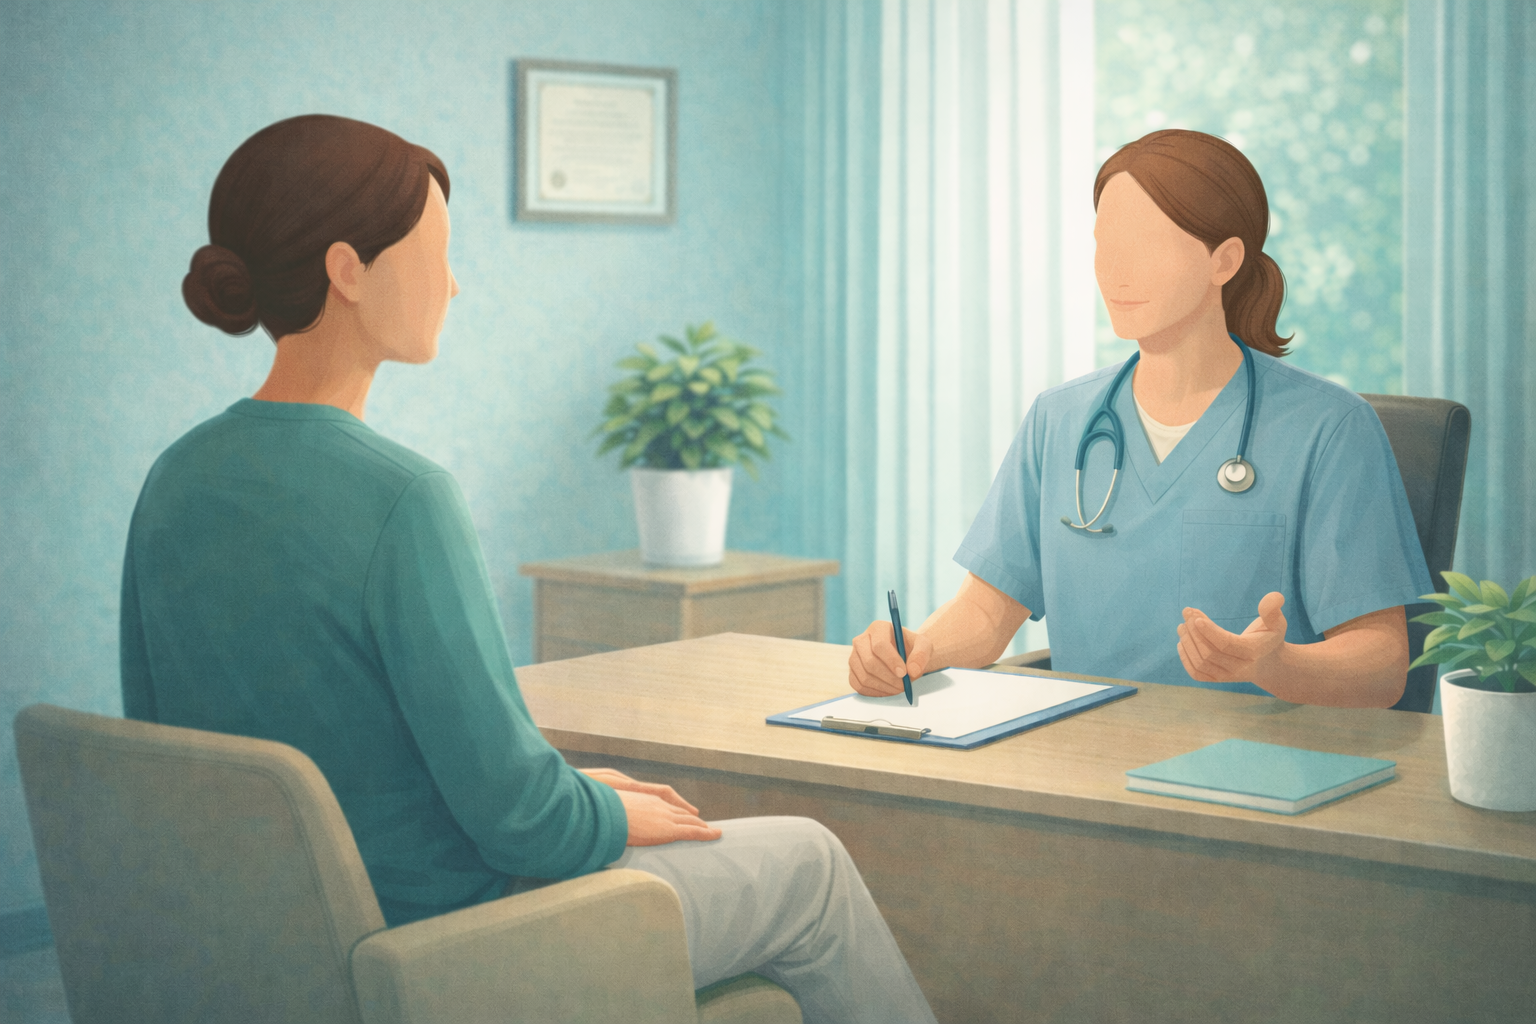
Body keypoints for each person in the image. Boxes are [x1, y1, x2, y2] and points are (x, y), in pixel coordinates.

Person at [123, 114, 935, 1024]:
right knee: (809, 864)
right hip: (449, 942)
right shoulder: (403, 498)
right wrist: (600, 812)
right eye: (437, 253)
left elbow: (177, 748)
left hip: (268, 947)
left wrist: (572, 789)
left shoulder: (176, 479)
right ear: (347, 270)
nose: (455, 283)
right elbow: (524, 824)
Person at [850, 129, 1431, 709]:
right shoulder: (1059, 419)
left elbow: (1382, 666)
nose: (1116, 271)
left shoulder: (1329, 429)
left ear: (1224, 260)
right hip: (1086, 750)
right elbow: (986, 611)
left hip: (1259, 757)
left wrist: (1275, 666)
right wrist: (916, 650)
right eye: (1105, 243)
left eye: (1147, 243)